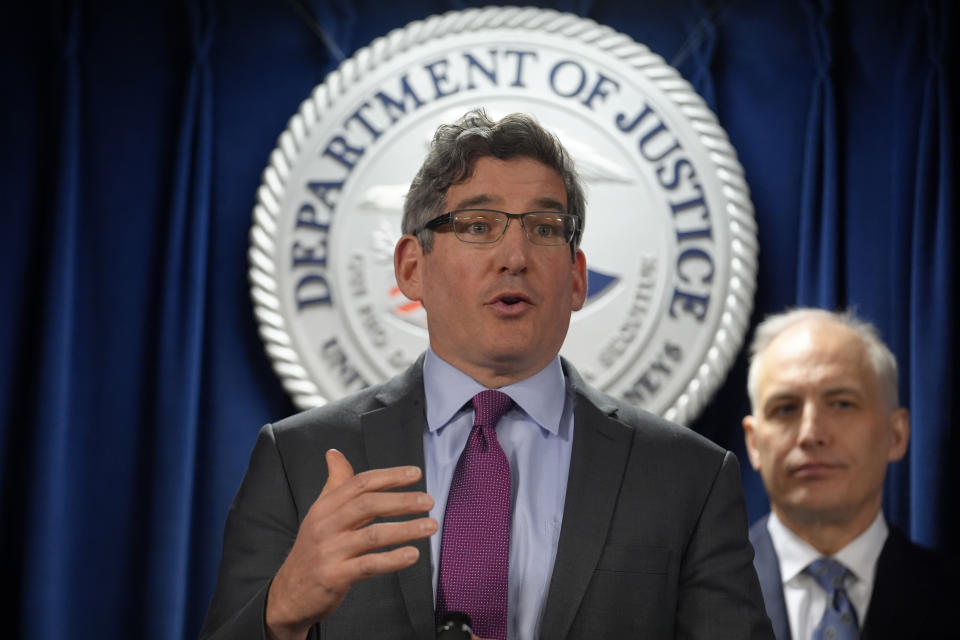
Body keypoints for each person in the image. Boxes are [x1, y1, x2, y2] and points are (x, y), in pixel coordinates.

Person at [201, 109, 772, 639]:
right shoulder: (299, 460)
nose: (516, 256)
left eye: (546, 228)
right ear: (411, 267)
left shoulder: (688, 476)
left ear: (576, 279)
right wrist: (280, 612)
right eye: (478, 224)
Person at [741, 308, 953, 639]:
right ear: (753, 443)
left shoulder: (946, 594)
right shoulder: (689, 596)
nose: (811, 434)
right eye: (785, 408)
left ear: (896, 434)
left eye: (841, 404)